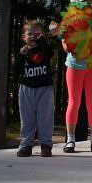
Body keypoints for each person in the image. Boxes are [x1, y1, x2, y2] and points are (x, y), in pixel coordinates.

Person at [62, 0, 92, 154]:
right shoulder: (68, 23)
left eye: (90, 4)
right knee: (74, 102)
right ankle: (70, 140)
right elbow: (66, 47)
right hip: (74, 66)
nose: (90, 6)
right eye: (87, 4)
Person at [15, 20, 55, 157]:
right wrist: (21, 55)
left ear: (42, 35)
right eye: (29, 34)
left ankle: (46, 145)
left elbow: (49, 54)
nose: (33, 36)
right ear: (23, 37)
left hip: (45, 89)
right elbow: (17, 70)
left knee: (45, 118)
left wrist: (41, 40)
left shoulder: (43, 49)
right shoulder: (23, 52)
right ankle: (26, 145)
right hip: (26, 89)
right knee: (27, 119)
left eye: (36, 34)